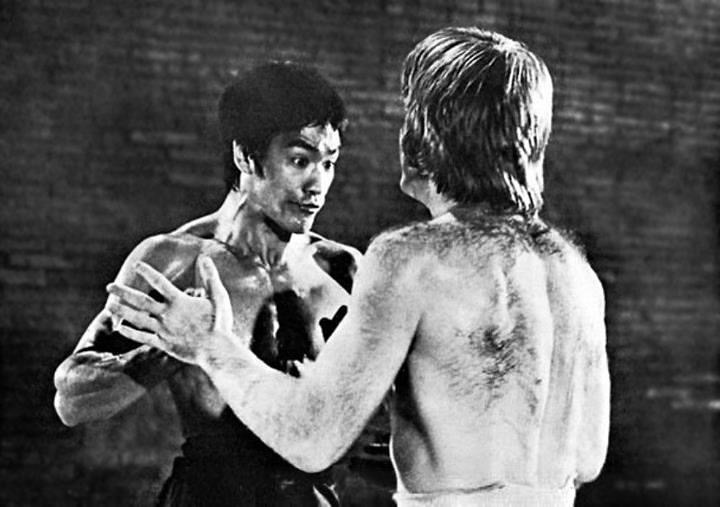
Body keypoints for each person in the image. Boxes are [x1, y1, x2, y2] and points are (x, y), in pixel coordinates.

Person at [107, 27, 611, 506]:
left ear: (430, 136)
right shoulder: (574, 272)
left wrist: (210, 345)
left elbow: (310, 440)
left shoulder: (410, 259)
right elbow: (588, 456)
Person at [53, 61, 362, 506]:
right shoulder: (175, 260)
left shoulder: (341, 269)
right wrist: (175, 346)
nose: (318, 184)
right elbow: (72, 399)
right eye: (300, 160)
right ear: (245, 156)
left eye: (328, 163)